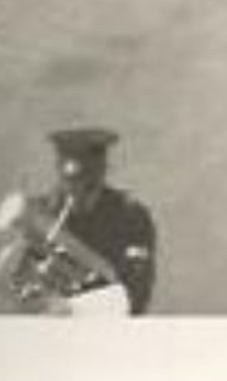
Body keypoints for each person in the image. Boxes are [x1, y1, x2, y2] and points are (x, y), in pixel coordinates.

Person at [29, 127, 157, 315]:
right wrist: (42, 301)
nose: (75, 193)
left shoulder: (131, 216)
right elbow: (24, 277)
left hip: (110, 325)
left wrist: (80, 308)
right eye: (69, 184)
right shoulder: (42, 212)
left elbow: (138, 286)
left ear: (103, 174)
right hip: (51, 327)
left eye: (88, 187)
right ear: (60, 173)